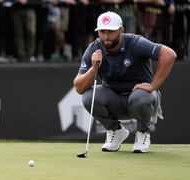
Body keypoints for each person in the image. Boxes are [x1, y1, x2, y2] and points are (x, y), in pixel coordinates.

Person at [73, 11, 176, 153]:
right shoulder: (94, 48)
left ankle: (142, 133)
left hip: (141, 99)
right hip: (114, 100)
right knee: (88, 97)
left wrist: (153, 85)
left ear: (121, 31)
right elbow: (78, 87)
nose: (106, 36)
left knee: (140, 98)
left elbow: (169, 54)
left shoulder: (135, 43)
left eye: (111, 31)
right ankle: (116, 131)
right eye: (102, 32)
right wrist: (93, 68)